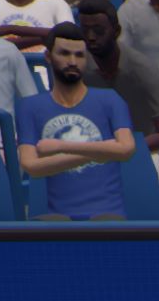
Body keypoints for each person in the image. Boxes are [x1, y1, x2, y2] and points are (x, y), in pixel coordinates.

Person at [14, 22, 138, 215]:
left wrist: (61, 146)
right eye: (64, 53)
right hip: (57, 217)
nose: (72, 61)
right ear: (48, 56)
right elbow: (31, 165)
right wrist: (104, 150)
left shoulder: (110, 99)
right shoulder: (30, 107)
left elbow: (126, 149)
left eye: (79, 55)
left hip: (107, 214)